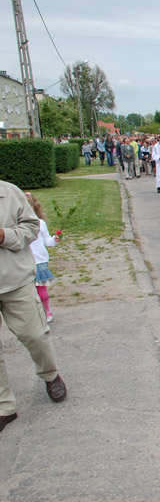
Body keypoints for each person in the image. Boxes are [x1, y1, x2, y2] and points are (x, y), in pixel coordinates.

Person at [0, 180, 67, 433]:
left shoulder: (9, 192)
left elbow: (32, 227)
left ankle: (50, 375)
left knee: (35, 335)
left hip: (14, 280)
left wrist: (5, 235)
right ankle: (4, 406)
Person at [25, 192, 59, 323]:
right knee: (27, 293)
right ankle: (34, 314)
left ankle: (47, 310)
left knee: (41, 292)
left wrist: (54, 240)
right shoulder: (17, 225)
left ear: (33, 207)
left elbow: (47, 241)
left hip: (39, 261)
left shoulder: (40, 223)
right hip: (24, 262)